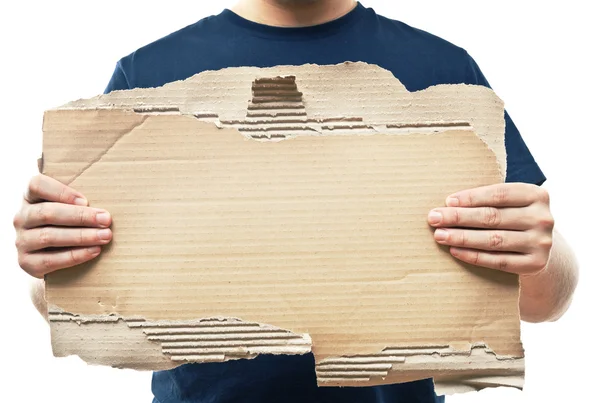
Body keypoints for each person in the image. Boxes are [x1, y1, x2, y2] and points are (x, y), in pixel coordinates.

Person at [13, 1, 579, 402]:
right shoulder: (147, 76)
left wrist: (540, 253)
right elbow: (68, 304)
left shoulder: (443, 72)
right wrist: (50, 266)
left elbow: (544, 302)